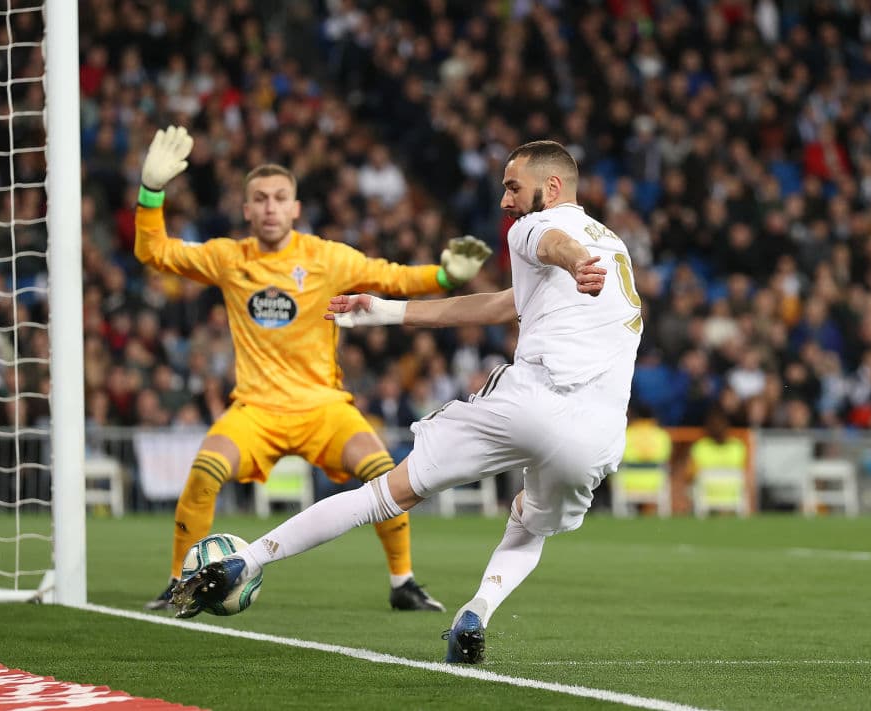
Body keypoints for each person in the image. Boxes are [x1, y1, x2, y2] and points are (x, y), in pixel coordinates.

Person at [170, 140, 641, 665]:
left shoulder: (536, 226)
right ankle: (477, 612)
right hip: (599, 432)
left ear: (551, 187)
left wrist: (576, 261)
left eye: (512, 186)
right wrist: (387, 312)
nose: (505, 200)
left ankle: (250, 558)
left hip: (532, 398)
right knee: (530, 525)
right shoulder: (616, 246)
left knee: (382, 496)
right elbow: (498, 305)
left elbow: (553, 241)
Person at [136, 126, 492, 612]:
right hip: (255, 409)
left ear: (295, 208)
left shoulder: (326, 258)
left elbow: (392, 275)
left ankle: (402, 582)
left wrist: (446, 276)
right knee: (203, 472)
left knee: (384, 470)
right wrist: (151, 193)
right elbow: (154, 252)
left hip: (323, 407)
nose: (269, 207)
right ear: (245, 210)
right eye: (259, 199)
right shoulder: (227, 258)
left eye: (280, 198)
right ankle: (181, 581)